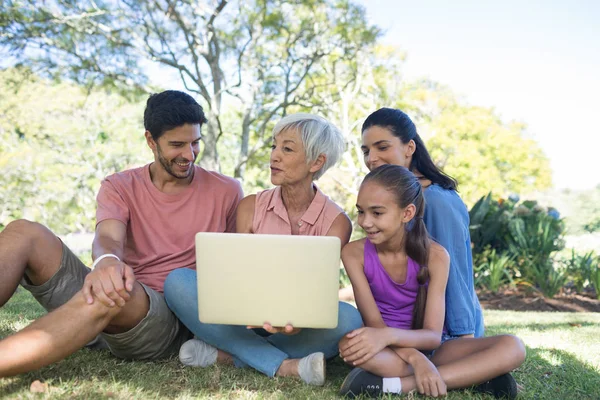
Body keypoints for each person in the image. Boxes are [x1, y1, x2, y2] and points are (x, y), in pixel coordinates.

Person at [0, 90, 243, 377]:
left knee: (115, 290)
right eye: (177, 144)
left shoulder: (227, 191)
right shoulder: (119, 185)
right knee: (23, 232)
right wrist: (107, 261)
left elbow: (234, 266)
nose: (188, 155)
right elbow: (108, 237)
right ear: (150, 140)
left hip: (161, 322)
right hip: (107, 303)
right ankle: (85, 318)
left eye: (195, 143)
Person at [164, 113, 364, 386]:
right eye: (274, 146)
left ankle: (230, 355)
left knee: (349, 319)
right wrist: (245, 305)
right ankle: (286, 366)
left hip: (298, 324)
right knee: (177, 282)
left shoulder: (337, 222)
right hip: (242, 317)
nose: (274, 156)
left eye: (287, 148)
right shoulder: (250, 206)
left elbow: (316, 291)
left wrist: (299, 321)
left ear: (316, 162)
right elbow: (236, 275)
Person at [338, 165, 526, 398]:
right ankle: (471, 376)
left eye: (377, 213)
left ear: (407, 213)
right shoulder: (353, 254)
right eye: (361, 211)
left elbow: (432, 336)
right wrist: (416, 359)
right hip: (388, 350)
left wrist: (424, 359)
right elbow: (375, 326)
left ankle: (395, 386)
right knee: (349, 347)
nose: (365, 222)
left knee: (513, 347)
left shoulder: (436, 256)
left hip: (435, 349)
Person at [359, 107, 484, 339]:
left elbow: (455, 270)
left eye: (382, 147)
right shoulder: (385, 201)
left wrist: (463, 337)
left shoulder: (436, 200)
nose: (371, 158)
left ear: (409, 148)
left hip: (447, 331)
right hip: (402, 327)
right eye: (366, 151)